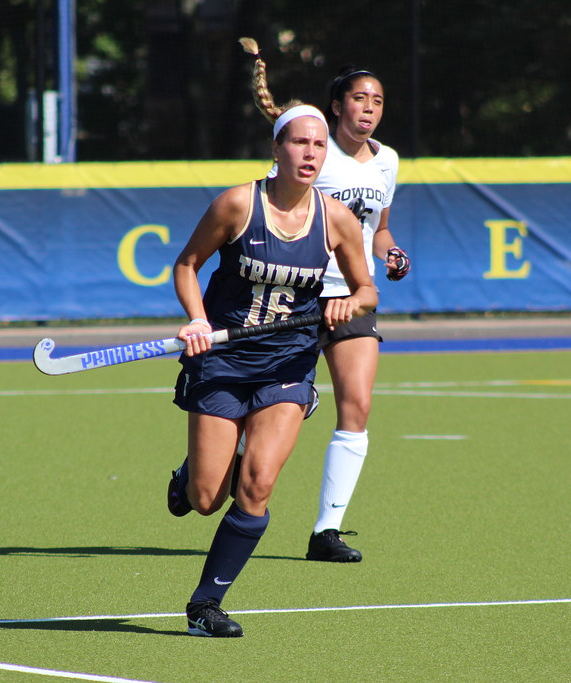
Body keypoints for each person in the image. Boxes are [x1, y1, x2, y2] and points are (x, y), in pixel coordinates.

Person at [166, 101, 377, 637]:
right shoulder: (238, 204)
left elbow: (367, 288)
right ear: (276, 149)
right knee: (207, 499)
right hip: (221, 361)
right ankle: (190, 475)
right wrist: (195, 318)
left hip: (287, 362)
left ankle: (205, 606)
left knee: (257, 486)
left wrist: (349, 303)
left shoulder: (337, 219)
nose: (310, 153)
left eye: (318, 145)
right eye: (299, 143)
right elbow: (187, 264)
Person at [241, 38, 411, 563]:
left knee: (356, 405)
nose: (369, 109)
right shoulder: (313, 152)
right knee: (257, 409)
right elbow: (268, 208)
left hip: (352, 301)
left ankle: (326, 532)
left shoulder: (388, 162)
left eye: (377, 101)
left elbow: (376, 231)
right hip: (294, 297)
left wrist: (392, 252)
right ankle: (203, 467)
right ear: (337, 106)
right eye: (360, 98)